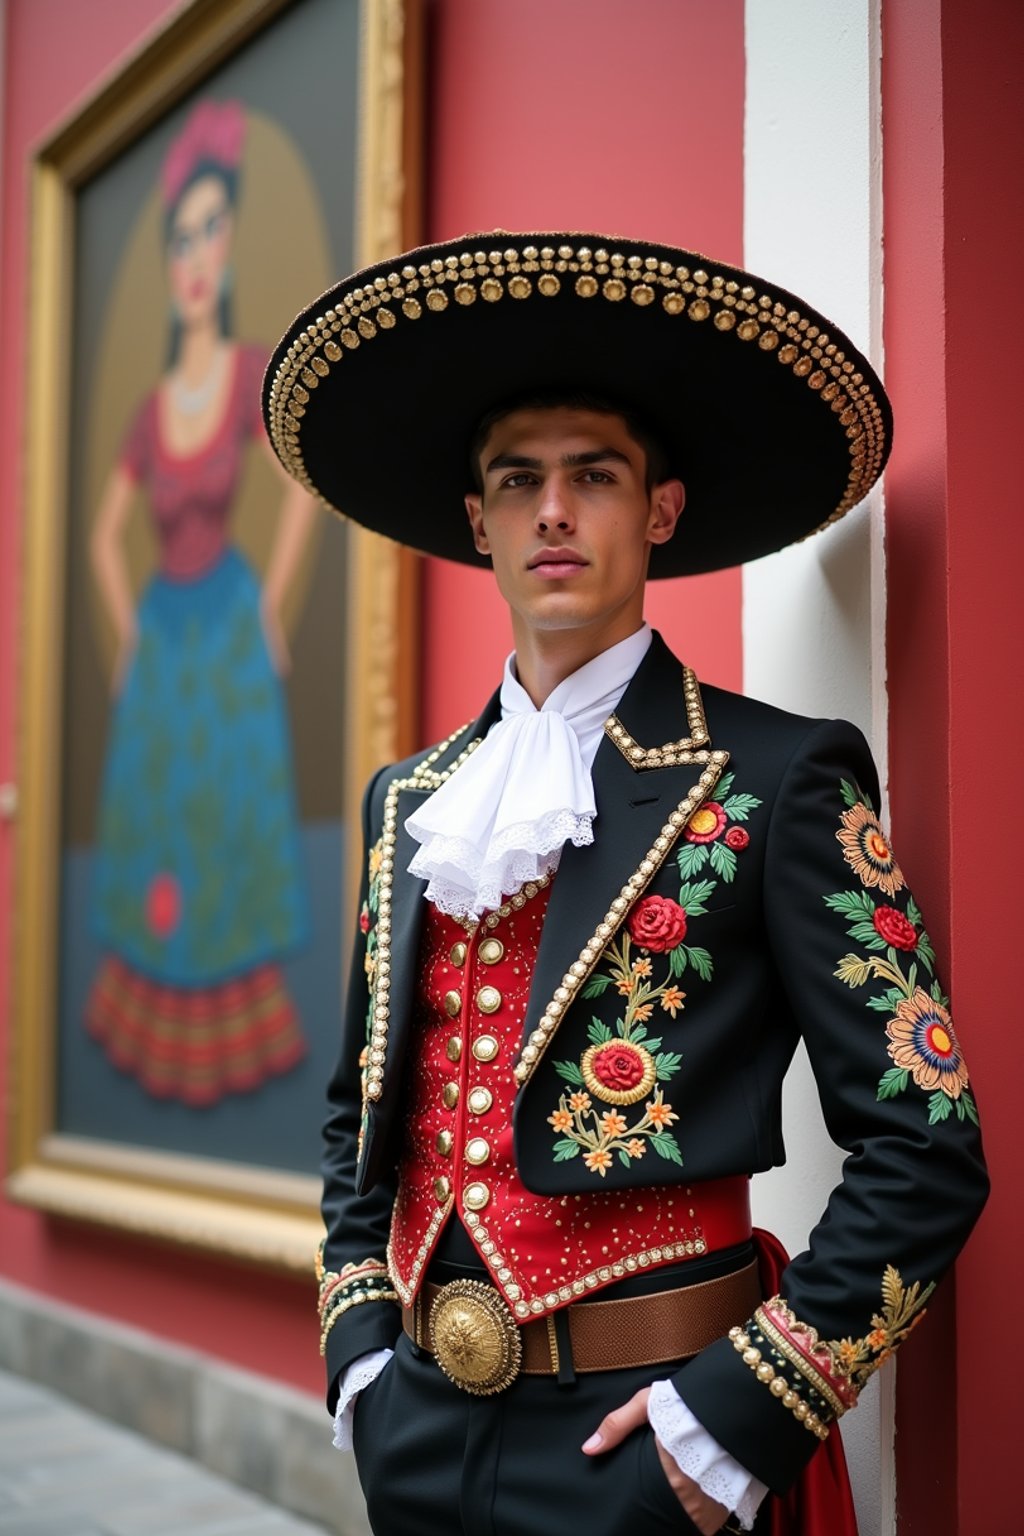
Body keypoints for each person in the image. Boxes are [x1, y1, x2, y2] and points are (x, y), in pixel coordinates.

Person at [262, 234, 989, 1534]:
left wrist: (745, 1412)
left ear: (659, 510)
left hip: (653, 1440)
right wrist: (363, 1362)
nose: (553, 511)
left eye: (594, 476)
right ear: (476, 521)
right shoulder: (408, 807)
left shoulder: (779, 776)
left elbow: (924, 1144)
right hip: (417, 1427)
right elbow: (357, 1123)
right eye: (518, 480)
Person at [88, 99, 317, 1106]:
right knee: (158, 822)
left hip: (221, 626)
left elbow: (302, 489)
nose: (195, 254)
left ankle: (232, 1026)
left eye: (212, 231)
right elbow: (102, 533)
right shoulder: (150, 409)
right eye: (182, 235)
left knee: (223, 816)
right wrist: (127, 624)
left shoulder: (244, 373)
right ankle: (151, 1010)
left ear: (228, 252)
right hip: (167, 633)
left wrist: (270, 602)